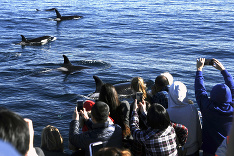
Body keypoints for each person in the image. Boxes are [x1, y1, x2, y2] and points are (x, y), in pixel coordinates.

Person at [195, 58, 234, 156]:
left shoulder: (208, 108)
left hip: (210, 150)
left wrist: (199, 69)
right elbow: (232, 88)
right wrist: (223, 70)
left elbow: (200, 90)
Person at [167, 81, 202, 156]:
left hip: (176, 151)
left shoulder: (167, 113)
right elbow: (198, 129)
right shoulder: (192, 108)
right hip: (193, 149)